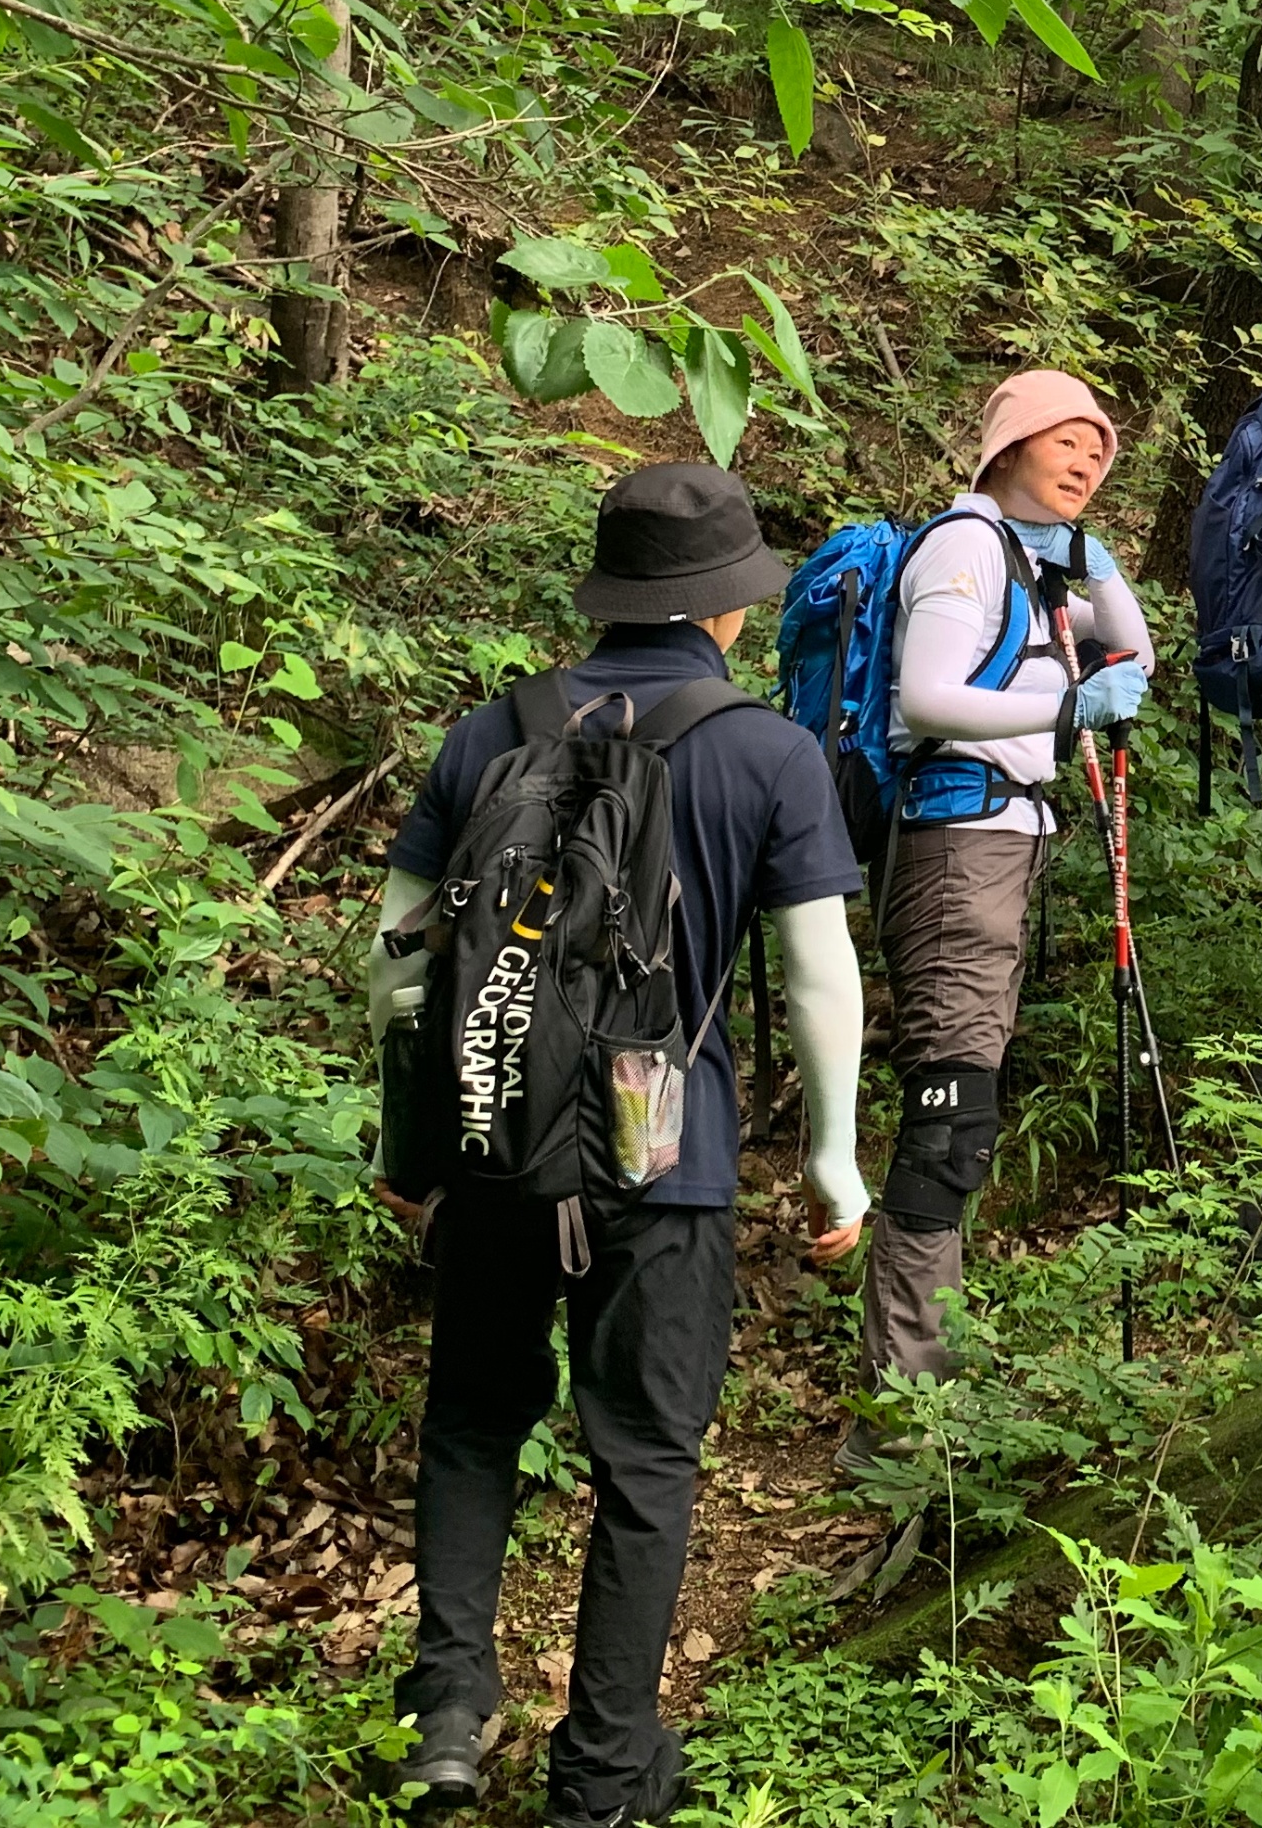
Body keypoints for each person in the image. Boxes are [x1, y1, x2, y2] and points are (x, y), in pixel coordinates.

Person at [369, 462, 868, 1826]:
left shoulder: (491, 729)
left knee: (472, 1424)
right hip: (668, 1153)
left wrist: (416, 1141)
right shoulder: (766, 751)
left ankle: (448, 1719)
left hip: (489, 1143)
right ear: (723, 610)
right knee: (644, 1457)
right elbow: (820, 973)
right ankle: (600, 1775)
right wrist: (832, 1161)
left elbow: (395, 957)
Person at [865, 369, 1153, 1404]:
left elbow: (1137, 653)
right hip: (953, 844)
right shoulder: (963, 546)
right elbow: (929, 694)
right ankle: (907, 1415)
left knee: (964, 1111)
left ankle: (933, 1386)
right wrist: (1070, 705)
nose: (1085, 459)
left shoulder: (1034, 565)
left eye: (1099, 447)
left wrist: (1093, 568)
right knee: (948, 1122)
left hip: (1003, 844)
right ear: (1007, 447)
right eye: (1063, 438)